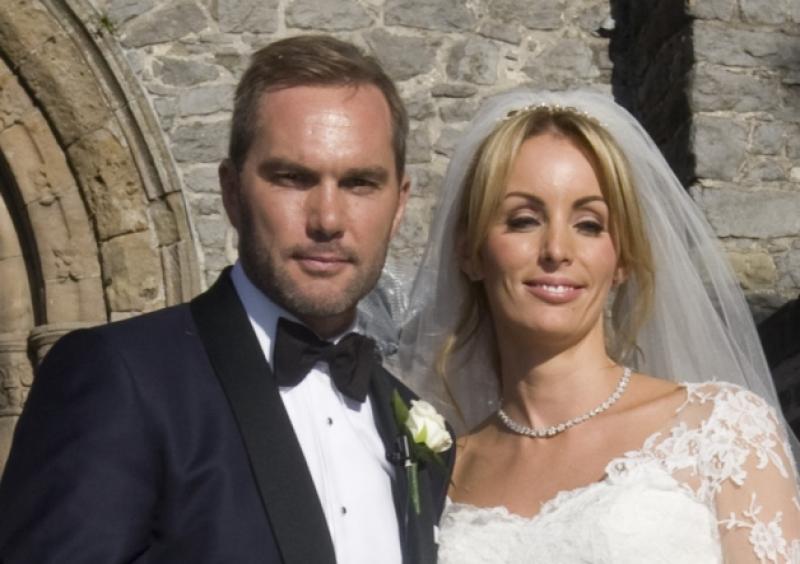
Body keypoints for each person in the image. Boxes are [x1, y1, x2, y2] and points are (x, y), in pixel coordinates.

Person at [0, 35, 453, 564]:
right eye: (292, 178)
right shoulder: (122, 379)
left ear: (399, 205)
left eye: (359, 183)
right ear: (232, 192)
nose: (327, 219)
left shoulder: (410, 421)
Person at [396, 89, 800, 562]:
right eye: (523, 220)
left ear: (621, 258)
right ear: (469, 252)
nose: (556, 250)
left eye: (589, 225)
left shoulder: (719, 429)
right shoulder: (440, 474)